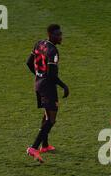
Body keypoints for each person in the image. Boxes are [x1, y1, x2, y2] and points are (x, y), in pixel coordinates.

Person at [25, 24, 69, 163]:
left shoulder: (39, 44)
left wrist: (39, 74)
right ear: (51, 35)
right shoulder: (52, 51)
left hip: (38, 84)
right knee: (51, 119)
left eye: (61, 34)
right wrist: (64, 86)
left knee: (46, 114)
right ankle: (33, 147)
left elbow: (28, 62)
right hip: (48, 88)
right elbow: (51, 76)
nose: (60, 37)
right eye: (58, 34)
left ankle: (45, 146)